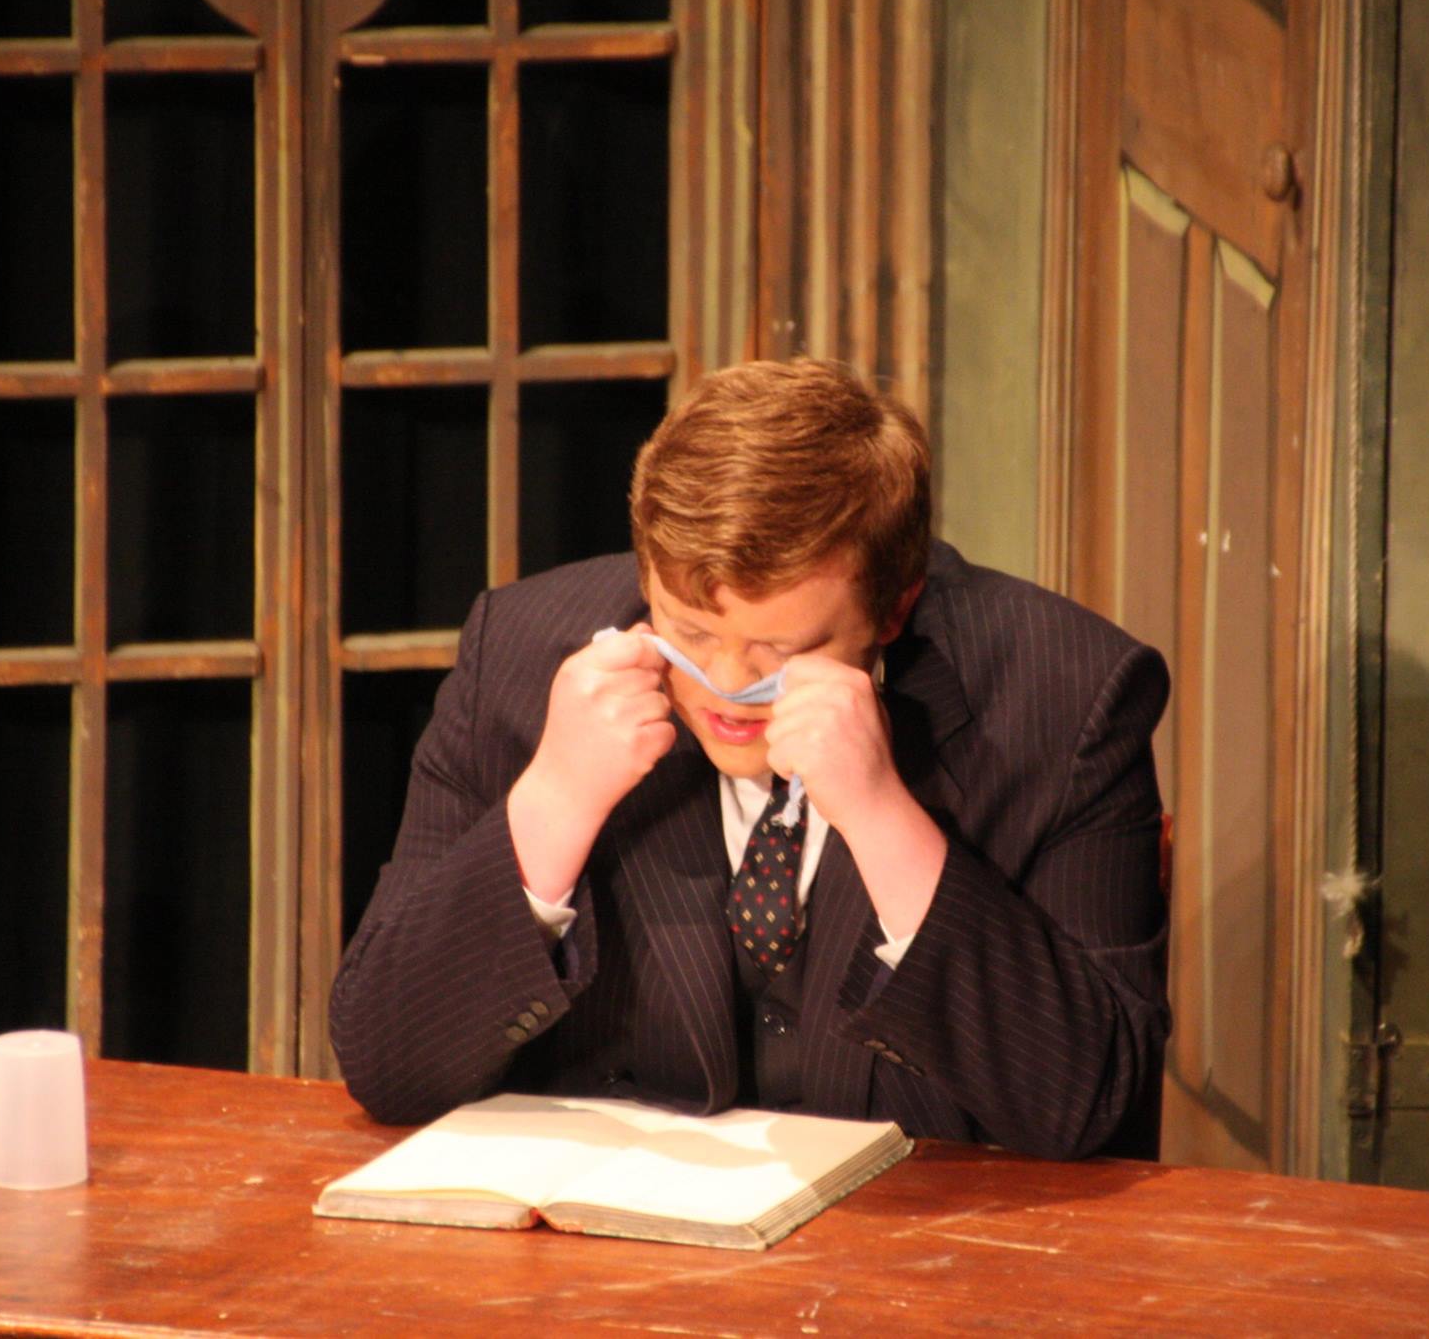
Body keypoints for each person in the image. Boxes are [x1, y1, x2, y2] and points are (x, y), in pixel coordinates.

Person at [330, 357, 1170, 1159]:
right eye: (692, 633)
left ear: (893, 608)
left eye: (783, 649)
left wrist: (884, 819)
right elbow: (385, 1059)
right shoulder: (518, 658)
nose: (729, 687)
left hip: (929, 1239)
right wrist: (554, 799)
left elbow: (1087, 1101)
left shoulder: (1065, 699)